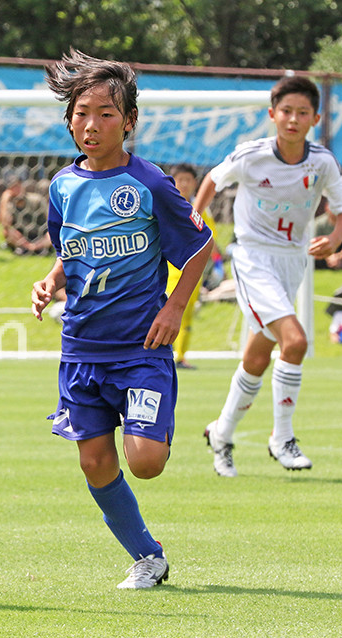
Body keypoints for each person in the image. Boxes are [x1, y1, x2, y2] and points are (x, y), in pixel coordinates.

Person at [31, 49, 213, 589]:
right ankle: (147, 557)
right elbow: (68, 250)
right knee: (93, 463)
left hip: (139, 350)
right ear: (69, 120)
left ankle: (152, 420)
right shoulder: (62, 187)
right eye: (81, 113)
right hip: (81, 349)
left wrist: (174, 306)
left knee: (146, 462)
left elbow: (200, 246)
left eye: (105, 114)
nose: (91, 125)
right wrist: (50, 281)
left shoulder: (150, 183)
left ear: (129, 121)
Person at [198, 75, 342, 477]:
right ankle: (282, 437)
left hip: (293, 261)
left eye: (302, 113)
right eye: (286, 111)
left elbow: (341, 209)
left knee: (257, 357)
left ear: (315, 119)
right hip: (252, 258)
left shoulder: (323, 162)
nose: (293, 119)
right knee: (295, 342)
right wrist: (196, 218)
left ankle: (221, 433)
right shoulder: (252, 155)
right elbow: (213, 179)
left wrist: (335, 238)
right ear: (272, 114)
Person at [164, 163, 218, 370]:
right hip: (168, 272)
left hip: (193, 273)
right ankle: (162, 353)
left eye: (188, 180)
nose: (184, 184)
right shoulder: (166, 205)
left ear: (196, 183)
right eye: (180, 180)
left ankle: (180, 356)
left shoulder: (201, 209)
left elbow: (211, 238)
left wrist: (218, 265)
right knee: (164, 310)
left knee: (186, 314)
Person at [0, 168, 50, 254]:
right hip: (22, 237)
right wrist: (4, 200)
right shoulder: (10, 205)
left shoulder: (36, 200)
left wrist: (39, 243)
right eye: (13, 187)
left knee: (53, 233)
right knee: (6, 231)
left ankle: (38, 248)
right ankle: (24, 248)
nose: (17, 189)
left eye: (18, 185)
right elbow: (5, 225)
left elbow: (50, 219)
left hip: (40, 235)